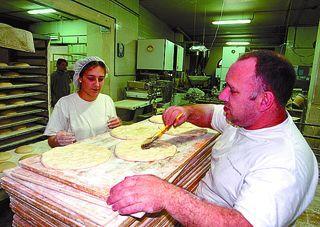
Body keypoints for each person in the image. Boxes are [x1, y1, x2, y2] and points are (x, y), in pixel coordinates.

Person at [107, 50, 318, 226]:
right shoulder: (244, 119)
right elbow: (209, 113)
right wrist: (187, 111)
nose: (222, 95)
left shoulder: (284, 163)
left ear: (264, 101)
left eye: (232, 91)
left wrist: (167, 196)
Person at [44, 56, 122, 148]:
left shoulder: (107, 100)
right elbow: (51, 140)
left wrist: (118, 123)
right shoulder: (65, 104)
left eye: (101, 79)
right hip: (77, 157)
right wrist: (57, 140)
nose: (97, 84)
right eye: (91, 78)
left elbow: (112, 131)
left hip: (104, 154)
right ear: (80, 78)